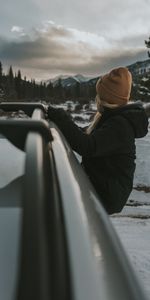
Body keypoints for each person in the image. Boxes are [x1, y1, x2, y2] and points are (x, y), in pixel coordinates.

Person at [47, 67, 148, 214]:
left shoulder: (119, 125)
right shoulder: (110, 118)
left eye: (99, 94)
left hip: (108, 192)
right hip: (102, 184)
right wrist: (64, 122)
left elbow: (88, 146)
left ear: (105, 97)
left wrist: (61, 118)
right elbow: (86, 135)